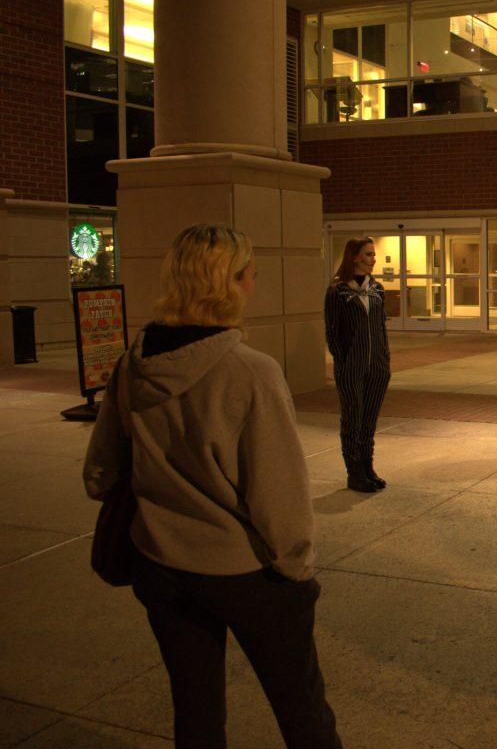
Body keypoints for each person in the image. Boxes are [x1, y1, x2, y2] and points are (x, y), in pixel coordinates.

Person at [83, 224, 341, 749]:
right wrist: (296, 570)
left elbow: (99, 473)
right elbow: (279, 494)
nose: (253, 286)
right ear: (231, 283)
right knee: (303, 715)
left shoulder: (133, 364)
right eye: (250, 276)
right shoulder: (251, 372)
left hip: (160, 564)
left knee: (196, 714)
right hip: (243, 572)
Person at [324, 237, 391, 492]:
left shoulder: (377, 289)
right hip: (352, 366)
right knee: (353, 417)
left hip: (377, 366)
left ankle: (367, 466)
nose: (373, 259)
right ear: (354, 257)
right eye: (368, 255)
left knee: (369, 418)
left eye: (373, 255)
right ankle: (354, 471)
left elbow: (381, 328)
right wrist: (343, 361)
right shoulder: (338, 291)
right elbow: (332, 332)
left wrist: (385, 359)